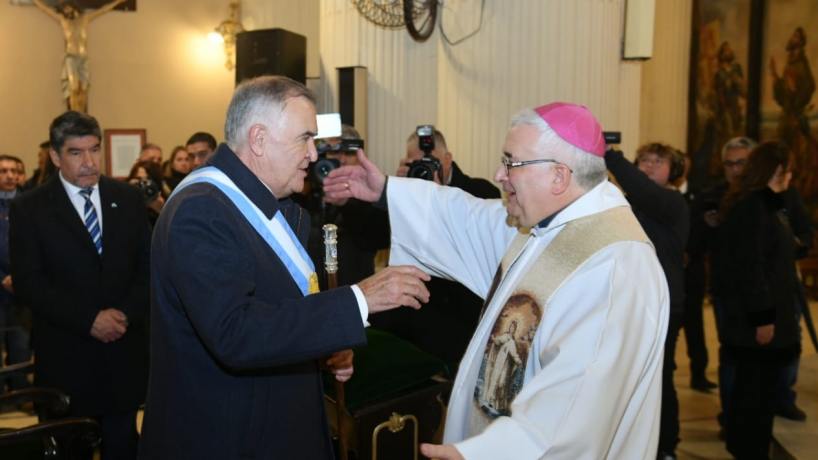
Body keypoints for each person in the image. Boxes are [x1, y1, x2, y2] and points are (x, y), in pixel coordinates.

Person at [325, 102, 669, 459]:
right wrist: (386, 191)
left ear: (558, 176)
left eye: (511, 163)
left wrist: (484, 453)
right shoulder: (545, 225)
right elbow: (466, 218)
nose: (499, 174)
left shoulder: (614, 266)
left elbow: (580, 402)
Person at [138, 76, 431, 459]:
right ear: (259, 139)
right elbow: (236, 333)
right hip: (229, 440)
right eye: (304, 138)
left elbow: (275, 311)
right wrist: (358, 300)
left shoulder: (263, 203)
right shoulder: (202, 210)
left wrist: (322, 349)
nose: (312, 154)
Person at [10, 111, 150, 460]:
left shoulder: (128, 198)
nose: (89, 162)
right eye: (76, 152)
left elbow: (148, 268)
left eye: (94, 150)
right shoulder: (30, 208)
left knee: (124, 447)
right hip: (67, 359)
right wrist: (89, 319)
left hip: (123, 356)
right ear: (56, 156)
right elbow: (29, 283)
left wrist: (123, 315)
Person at [370, 128, 501, 373]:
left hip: (457, 316)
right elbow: (374, 237)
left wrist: (439, 197)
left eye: (430, 163)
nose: (423, 169)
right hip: (412, 313)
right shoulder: (405, 191)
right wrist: (394, 193)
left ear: (448, 160)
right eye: (415, 164)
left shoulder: (481, 191)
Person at [605, 143, 689, 460]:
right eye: (644, 160)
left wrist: (611, 156)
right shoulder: (628, 203)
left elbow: (645, 193)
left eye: (658, 161)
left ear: (673, 171)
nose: (649, 165)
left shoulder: (672, 201)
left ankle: (665, 446)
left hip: (664, 305)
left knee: (659, 377)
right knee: (628, 376)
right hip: (630, 303)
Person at [719, 141, 802, 458]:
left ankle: (752, 448)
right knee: (753, 395)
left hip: (771, 313)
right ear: (777, 169)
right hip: (758, 321)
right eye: (788, 168)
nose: (791, 174)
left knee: (760, 394)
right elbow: (750, 267)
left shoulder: (769, 205)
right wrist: (763, 318)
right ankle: (748, 450)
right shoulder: (754, 207)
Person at [32, 0, 126, 112]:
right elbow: (45, 9)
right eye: (64, 10)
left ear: (73, 6)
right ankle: (74, 114)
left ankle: (81, 114)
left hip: (83, 58)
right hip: (71, 58)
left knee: (84, 89)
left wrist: (118, 2)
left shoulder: (85, 19)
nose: (66, 11)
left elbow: (103, 10)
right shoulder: (63, 21)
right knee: (73, 87)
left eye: (67, 8)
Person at [0, 155, 31, 393]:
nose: (10, 176)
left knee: (21, 345)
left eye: (14, 171)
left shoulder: (29, 204)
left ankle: (20, 393)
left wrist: (19, 275)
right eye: (3, 171)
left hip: (23, 288)